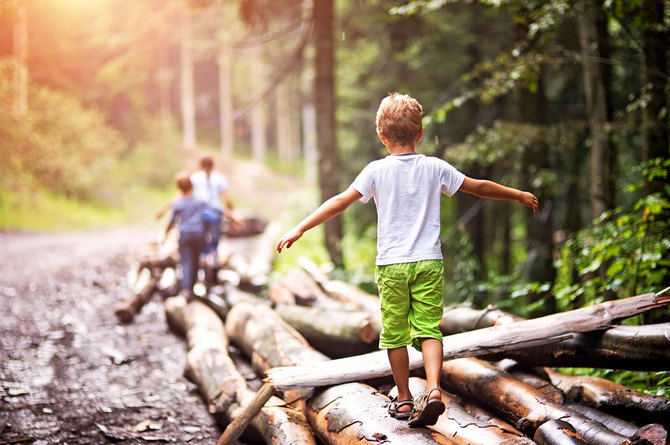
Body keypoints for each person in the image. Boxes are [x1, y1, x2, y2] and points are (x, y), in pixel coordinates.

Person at [276, 92, 539, 427]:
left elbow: (340, 202)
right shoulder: (434, 167)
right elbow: (479, 187)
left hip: (391, 265)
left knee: (396, 334)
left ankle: (402, 399)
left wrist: (300, 227)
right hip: (428, 262)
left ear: (381, 136)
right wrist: (516, 194)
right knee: (429, 329)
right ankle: (432, 389)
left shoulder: (375, 171)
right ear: (420, 133)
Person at [156, 155, 237, 270]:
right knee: (214, 240)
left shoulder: (195, 178)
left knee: (201, 240)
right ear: (213, 165)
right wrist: (232, 214)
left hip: (201, 214)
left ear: (200, 165)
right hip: (215, 214)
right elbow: (226, 199)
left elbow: (181, 195)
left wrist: (164, 209)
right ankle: (213, 259)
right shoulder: (220, 178)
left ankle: (202, 259)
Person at [164, 172, 207, 300]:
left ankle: (186, 290)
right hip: (199, 235)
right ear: (192, 186)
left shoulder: (177, 203)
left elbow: (171, 222)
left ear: (178, 187)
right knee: (195, 262)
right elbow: (207, 217)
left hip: (185, 235)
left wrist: (165, 236)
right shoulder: (199, 202)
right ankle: (192, 288)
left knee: (186, 262)